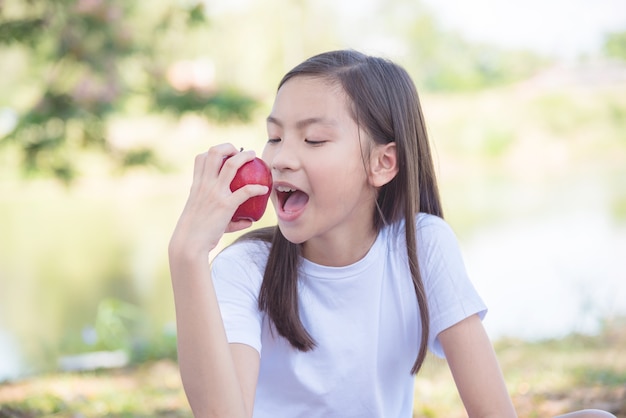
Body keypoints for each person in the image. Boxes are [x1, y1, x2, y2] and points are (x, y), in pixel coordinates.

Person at [168, 50, 616, 418]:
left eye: (314, 140)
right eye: (275, 137)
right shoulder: (245, 267)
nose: (281, 158)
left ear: (383, 163)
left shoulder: (423, 246)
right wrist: (188, 255)